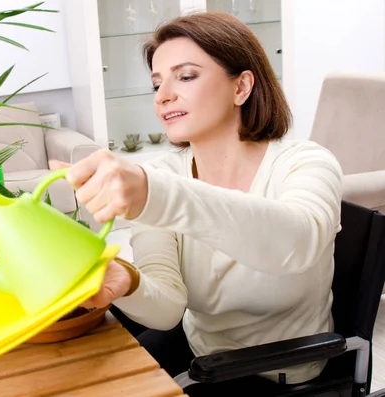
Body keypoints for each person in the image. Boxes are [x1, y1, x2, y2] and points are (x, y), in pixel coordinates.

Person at [49, 11, 343, 395]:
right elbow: (168, 309)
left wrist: (155, 194)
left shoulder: (306, 163)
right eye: (157, 83)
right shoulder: (162, 174)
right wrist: (128, 282)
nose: (163, 96)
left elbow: (294, 243)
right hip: (201, 356)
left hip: (283, 372)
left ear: (241, 87)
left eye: (185, 76)